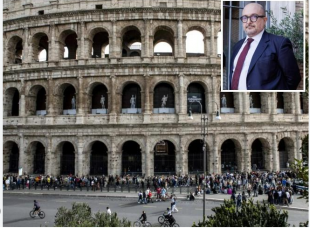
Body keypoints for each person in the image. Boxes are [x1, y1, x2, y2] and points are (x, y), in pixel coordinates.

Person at [229, 3, 301, 90]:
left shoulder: (279, 43)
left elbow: (293, 78)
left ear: (264, 20)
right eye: (245, 18)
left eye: (253, 17)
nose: (248, 22)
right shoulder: (238, 46)